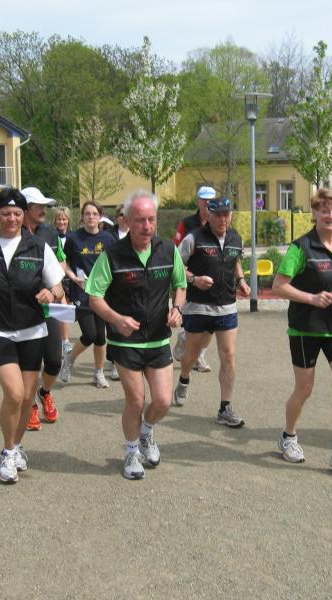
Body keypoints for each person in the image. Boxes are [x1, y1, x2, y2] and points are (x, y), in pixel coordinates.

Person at [0, 187, 65, 484]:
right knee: (14, 393)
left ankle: (17, 445)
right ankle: (7, 452)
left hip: (33, 329)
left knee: (27, 398)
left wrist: (51, 293)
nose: (11, 218)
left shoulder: (38, 247)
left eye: (17, 213)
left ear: (24, 215)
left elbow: (58, 287)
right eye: (5, 213)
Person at [86, 190, 186, 480]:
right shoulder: (112, 255)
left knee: (163, 401)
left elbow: (180, 284)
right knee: (136, 400)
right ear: (127, 220)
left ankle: (146, 432)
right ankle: (131, 452)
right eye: (140, 220)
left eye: (151, 219)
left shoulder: (168, 250)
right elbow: (94, 297)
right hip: (125, 341)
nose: (147, 226)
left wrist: (177, 308)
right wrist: (116, 319)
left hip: (158, 338)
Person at [272, 189, 332, 473]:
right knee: (304, 389)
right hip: (306, 329)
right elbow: (279, 286)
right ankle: (288, 436)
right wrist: (312, 298)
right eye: (325, 210)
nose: (331, 216)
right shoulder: (301, 247)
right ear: (314, 213)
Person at [172, 196, 250, 427]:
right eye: (218, 215)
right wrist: (194, 279)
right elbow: (176, 266)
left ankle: (225, 408)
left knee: (229, 356)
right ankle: (184, 378)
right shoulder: (194, 238)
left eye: (227, 214)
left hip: (227, 307)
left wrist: (241, 280)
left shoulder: (236, 238)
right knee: (192, 355)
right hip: (198, 307)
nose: (222, 219)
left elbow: (235, 261)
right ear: (208, 215)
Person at [58, 201, 117, 388]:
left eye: (94, 214)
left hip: (102, 293)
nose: (91, 217)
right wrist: (73, 277)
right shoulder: (74, 238)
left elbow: (115, 263)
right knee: (90, 334)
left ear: (100, 217)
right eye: (87, 214)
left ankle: (98, 374)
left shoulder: (108, 239)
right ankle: (69, 359)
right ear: (82, 217)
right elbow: (64, 262)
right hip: (81, 292)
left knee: (100, 337)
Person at [21, 186, 64, 429]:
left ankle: (44, 391)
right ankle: (30, 406)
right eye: (40, 206)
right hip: (19, 311)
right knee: (28, 363)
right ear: (26, 208)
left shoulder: (50, 234)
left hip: (47, 309)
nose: (44, 211)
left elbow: (59, 268)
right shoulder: (9, 235)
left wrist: (57, 292)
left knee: (55, 360)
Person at [173, 186, 217, 373]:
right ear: (198, 201)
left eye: (211, 200)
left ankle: (199, 355)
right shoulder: (187, 223)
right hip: (191, 279)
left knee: (211, 324)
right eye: (204, 199)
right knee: (195, 322)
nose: (207, 203)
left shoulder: (221, 221)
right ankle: (186, 339)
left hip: (213, 280)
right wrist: (189, 277)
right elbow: (176, 253)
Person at [53, 206, 73, 356]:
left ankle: (64, 340)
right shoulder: (51, 236)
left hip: (69, 276)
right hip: (55, 276)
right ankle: (62, 341)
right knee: (61, 307)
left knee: (66, 308)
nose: (61, 222)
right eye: (59, 219)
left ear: (68, 220)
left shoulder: (73, 237)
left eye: (64, 219)